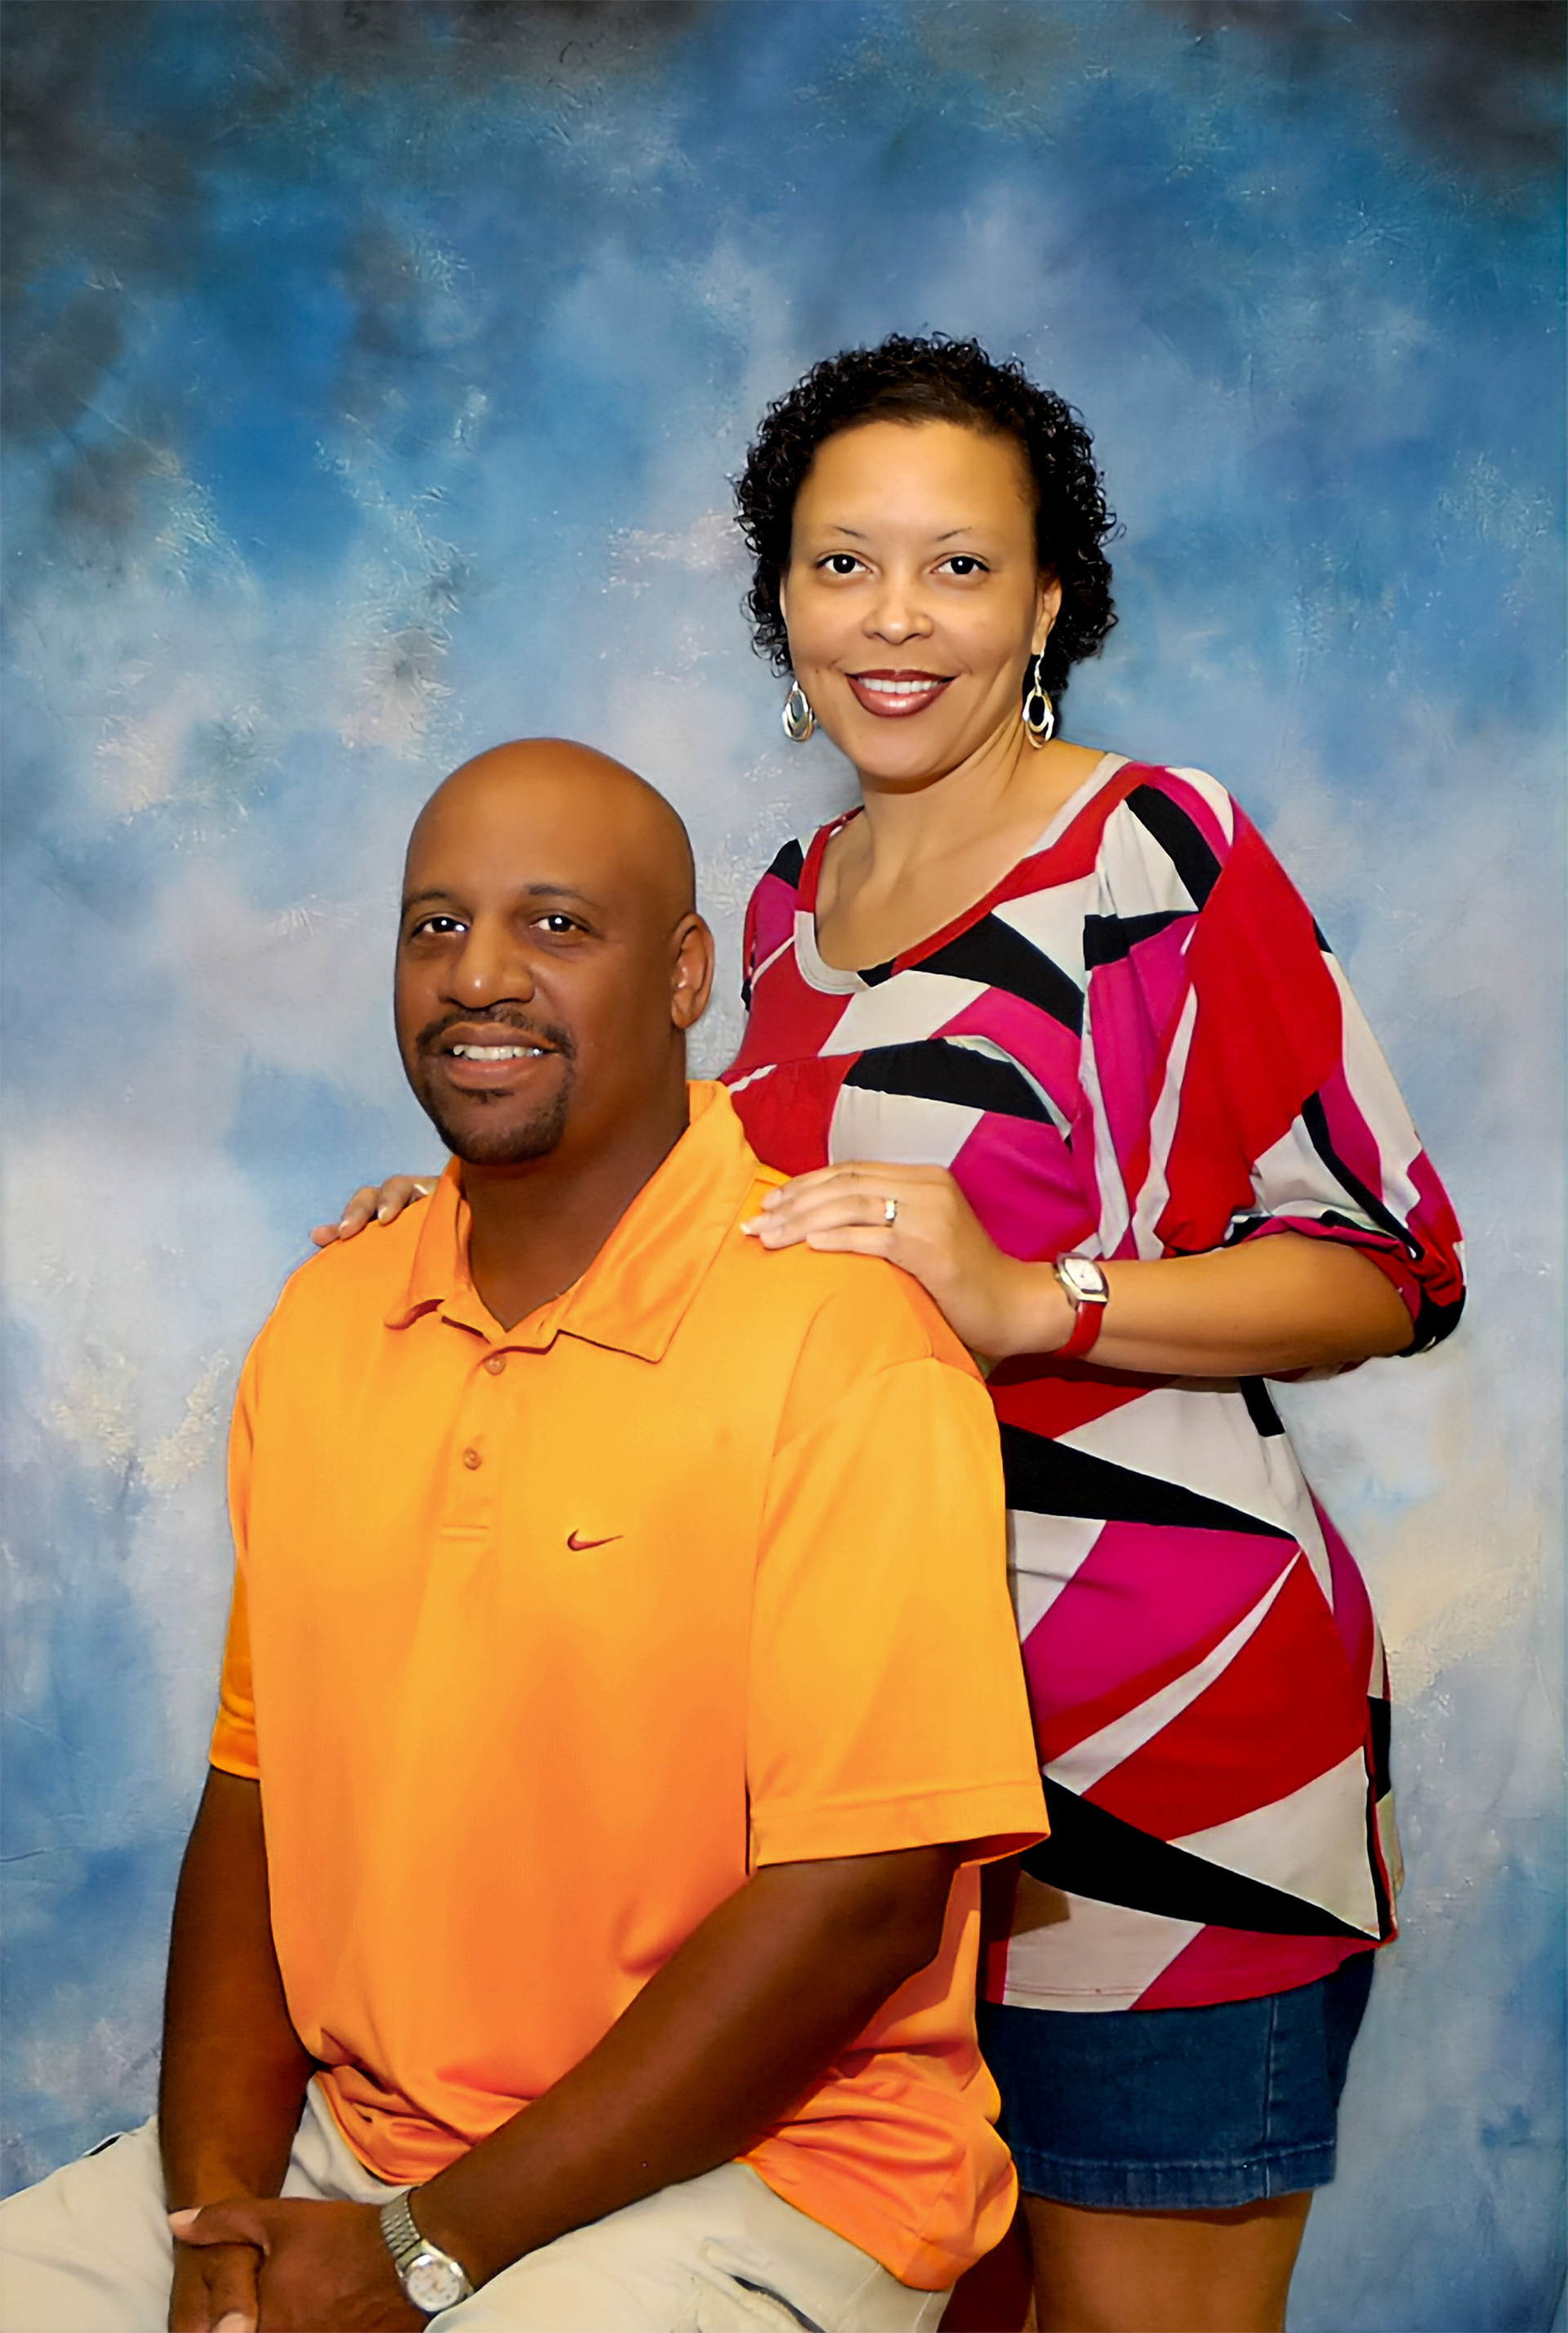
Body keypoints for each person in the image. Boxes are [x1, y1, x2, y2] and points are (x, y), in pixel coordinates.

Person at [334, 341, 1465, 2333]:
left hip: (1152, 1755)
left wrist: (1045, 1297)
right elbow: (705, 1242)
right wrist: (454, 1220)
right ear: (780, 596)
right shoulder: (782, 909)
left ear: (1047, 607)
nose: (895, 618)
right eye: (844, 562)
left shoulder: (1156, 857)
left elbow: (1392, 1264)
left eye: (959, 566)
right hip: (851, 1805)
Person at [0, 739, 1050, 2333]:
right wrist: (216, 2221)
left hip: (765, 2172)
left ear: (686, 972)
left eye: (556, 924)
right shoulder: (330, 1316)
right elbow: (259, 1794)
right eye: (437, 925)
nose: (479, 974)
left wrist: (423, 2250)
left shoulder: (843, 1347)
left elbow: (862, 1899)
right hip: (361, 2145)